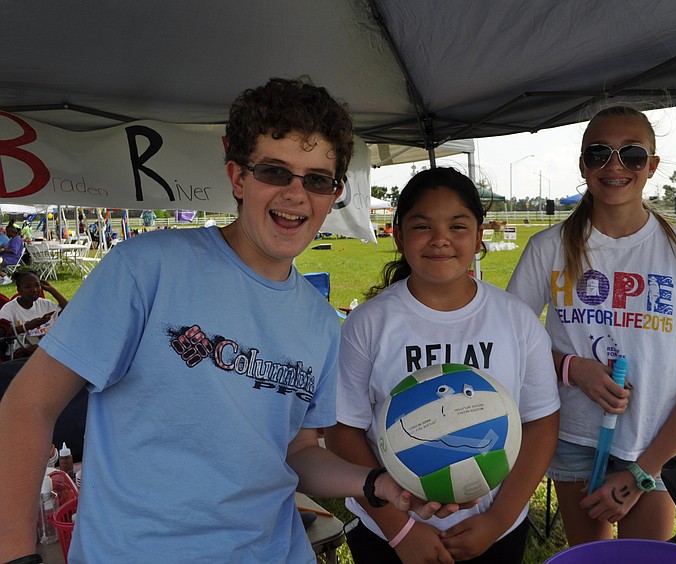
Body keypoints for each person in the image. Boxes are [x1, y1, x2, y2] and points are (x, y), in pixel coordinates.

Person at [0, 77, 459, 564]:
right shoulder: (146, 269)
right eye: (275, 172)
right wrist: (15, 554)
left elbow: (299, 452)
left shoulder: (322, 323)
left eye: (317, 179)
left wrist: (377, 483)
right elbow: (28, 407)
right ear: (238, 177)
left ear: (334, 193)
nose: (296, 195)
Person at [506, 106, 676, 546]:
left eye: (632, 155)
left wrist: (641, 473)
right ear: (583, 165)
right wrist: (571, 368)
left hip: (655, 438)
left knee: (647, 557)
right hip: (574, 434)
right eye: (599, 153)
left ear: (651, 166)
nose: (614, 166)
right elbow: (509, 341)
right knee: (591, 556)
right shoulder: (547, 248)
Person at [325, 167, 560, 564]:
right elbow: (342, 430)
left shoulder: (516, 320)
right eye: (422, 226)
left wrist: (498, 519)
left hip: (493, 530)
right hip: (390, 535)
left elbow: (540, 423)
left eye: (457, 225)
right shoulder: (369, 323)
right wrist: (401, 529)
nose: (440, 239)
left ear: (479, 236)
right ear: (398, 235)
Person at [0, 271, 68, 357]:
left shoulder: (44, 304)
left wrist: (52, 290)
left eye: (37, 285)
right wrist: (26, 327)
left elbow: (69, 310)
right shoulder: (9, 309)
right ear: (19, 290)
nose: (34, 290)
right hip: (21, 353)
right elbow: (4, 334)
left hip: (45, 347)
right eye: (28, 287)